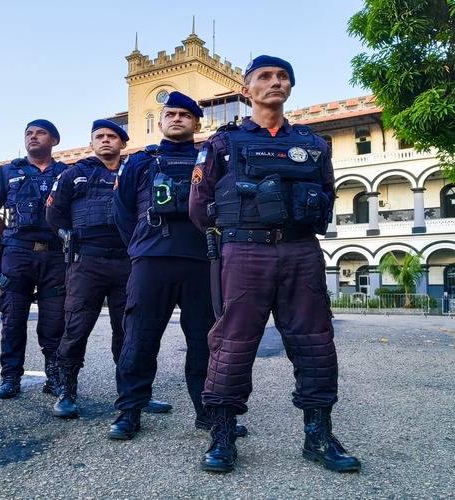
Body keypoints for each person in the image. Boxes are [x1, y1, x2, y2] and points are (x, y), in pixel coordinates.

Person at [189, 55, 361, 473]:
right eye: (264, 77)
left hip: (301, 251)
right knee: (232, 343)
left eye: (283, 76)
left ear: (290, 87)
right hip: (244, 252)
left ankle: (318, 435)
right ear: (247, 90)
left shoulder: (313, 145)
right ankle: (224, 435)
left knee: (315, 343)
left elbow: (327, 194)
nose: (275, 82)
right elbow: (198, 205)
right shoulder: (222, 144)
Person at [108, 92, 246, 440]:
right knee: (139, 338)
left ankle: (208, 412)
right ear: (162, 119)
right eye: (171, 113)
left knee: (204, 341)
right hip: (152, 261)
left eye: (186, 114)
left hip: (202, 261)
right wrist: (140, 246)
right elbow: (122, 213)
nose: (178, 118)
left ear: (197, 123)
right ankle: (129, 410)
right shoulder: (140, 162)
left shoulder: (212, 159)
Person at [45, 119, 172, 419]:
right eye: (99, 136)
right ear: (91, 143)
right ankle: (67, 392)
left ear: (122, 143)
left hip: (128, 260)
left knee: (130, 332)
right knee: (76, 327)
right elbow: (54, 212)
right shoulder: (74, 173)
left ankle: (134, 394)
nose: (105, 141)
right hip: (87, 260)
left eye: (111, 136)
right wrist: (68, 239)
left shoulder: (135, 171)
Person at [0, 119, 68, 399]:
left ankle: (54, 377)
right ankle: (10, 377)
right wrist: (8, 237)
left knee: (55, 321)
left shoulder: (67, 173)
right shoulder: (7, 172)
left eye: (40, 133)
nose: (33, 137)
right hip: (17, 253)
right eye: (28, 133)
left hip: (56, 254)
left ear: (53, 140)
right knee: (14, 318)